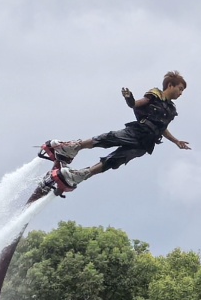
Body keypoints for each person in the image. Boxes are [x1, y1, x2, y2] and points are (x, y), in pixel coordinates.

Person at [30, 71, 191, 203]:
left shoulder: (170, 108)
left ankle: (80, 175)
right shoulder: (154, 95)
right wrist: (129, 98)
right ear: (170, 85)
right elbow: (135, 104)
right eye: (180, 88)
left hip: (145, 144)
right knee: (108, 138)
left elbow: (162, 128)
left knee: (114, 161)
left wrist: (176, 141)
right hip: (137, 131)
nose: (181, 93)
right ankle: (71, 147)